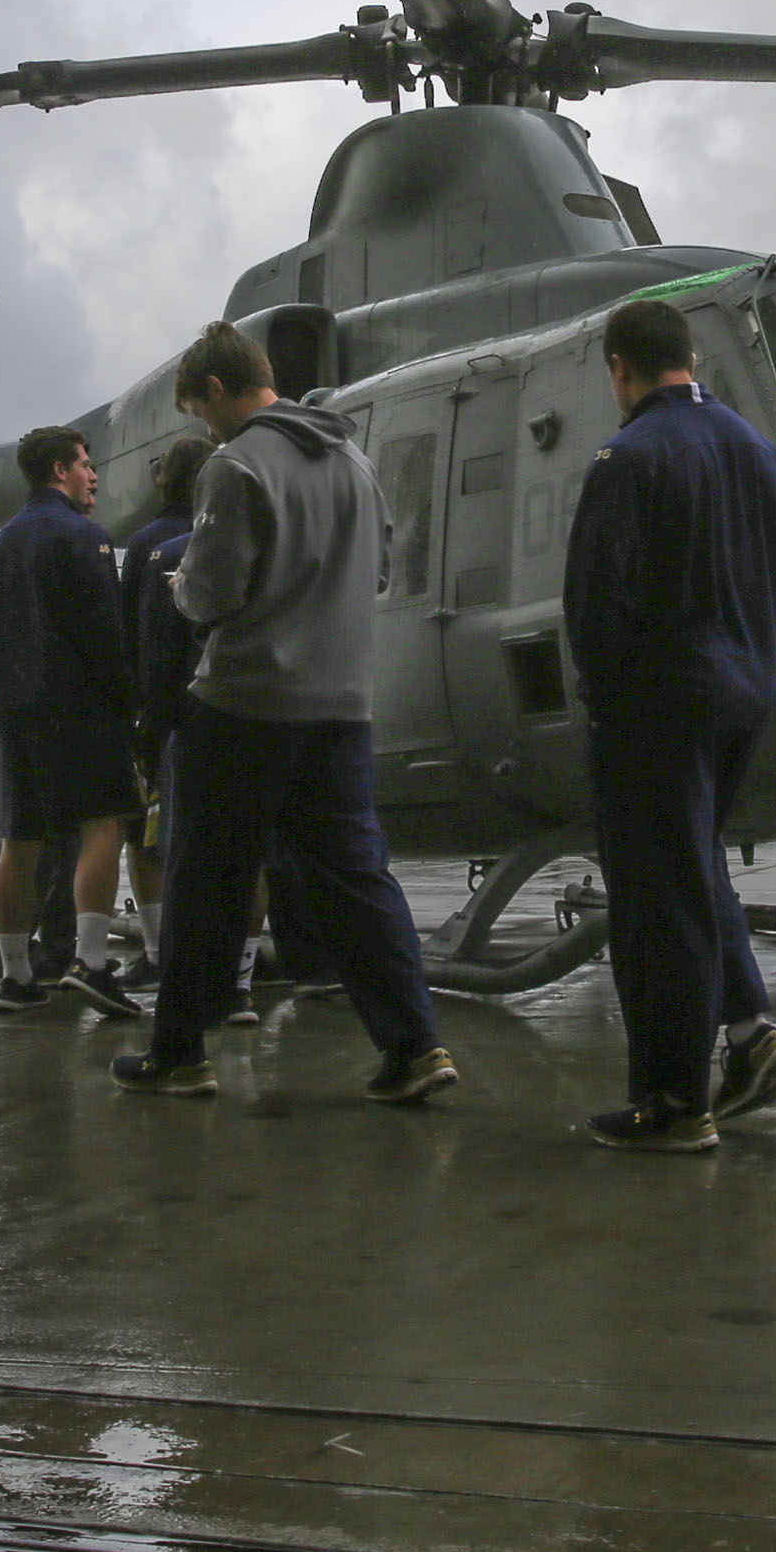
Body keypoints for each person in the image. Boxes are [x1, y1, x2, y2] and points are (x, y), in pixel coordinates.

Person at [110, 322, 457, 1106]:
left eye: (200, 412)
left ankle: (180, 1054)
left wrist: (176, 589)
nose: (205, 428)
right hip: (342, 707)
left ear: (217, 391)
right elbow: (376, 571)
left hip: (244, 705)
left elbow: (210, 592)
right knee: (356, 880)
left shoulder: (235, 466)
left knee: (209, 880)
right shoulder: (353, 459)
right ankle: (414, 1045)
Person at [561, 296, 776, 1152]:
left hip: (656, 706)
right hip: (743, 690)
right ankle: (746, 1028)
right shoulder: (755, 446)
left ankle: (671, 1102)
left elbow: (594, 607)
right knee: (694, 865)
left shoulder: (627, 458)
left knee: (655, 902)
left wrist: (603, 697)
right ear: (689, 359)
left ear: (618, 370)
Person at [0, 425, 146, 1019]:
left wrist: (10, 648)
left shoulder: (4, 541)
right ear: (61, 471)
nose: (94, 475)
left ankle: (14, 975)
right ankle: (92, 964)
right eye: (86, 465)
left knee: (21, 838)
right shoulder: (83, 536)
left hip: (14, 709)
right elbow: (105, 632)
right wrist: (127, 702)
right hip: (80, 707)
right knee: (103, 826)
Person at [113, 434, 213, 989]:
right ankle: (234, 959)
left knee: (143, 839)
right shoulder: (221, 534)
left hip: (156, 712)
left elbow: (127, 632)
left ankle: (156, 949)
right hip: (215, 709)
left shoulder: (144, 542)